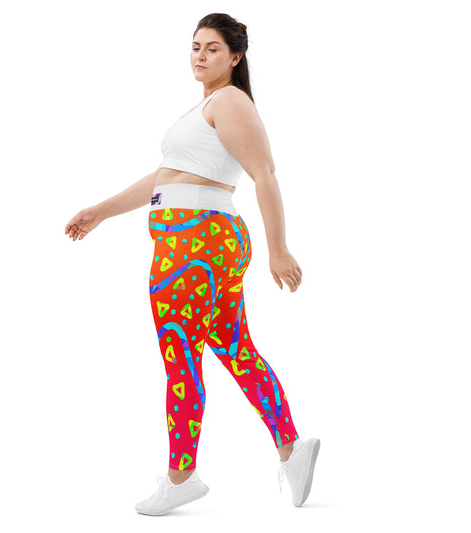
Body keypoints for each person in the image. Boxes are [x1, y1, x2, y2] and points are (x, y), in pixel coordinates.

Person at [64, 13, 320, 516]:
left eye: (213, 48)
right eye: (196, 46)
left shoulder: (229, 101)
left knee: (181, 359)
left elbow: (264, 173)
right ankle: (291, 450)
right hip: (205, 243)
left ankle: (181, 476)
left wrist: (280, 247)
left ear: (236, 57)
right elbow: (164, 177)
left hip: (192, 246)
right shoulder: (208, 106)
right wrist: (100, 211)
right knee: (236, 349)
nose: (200, 55)